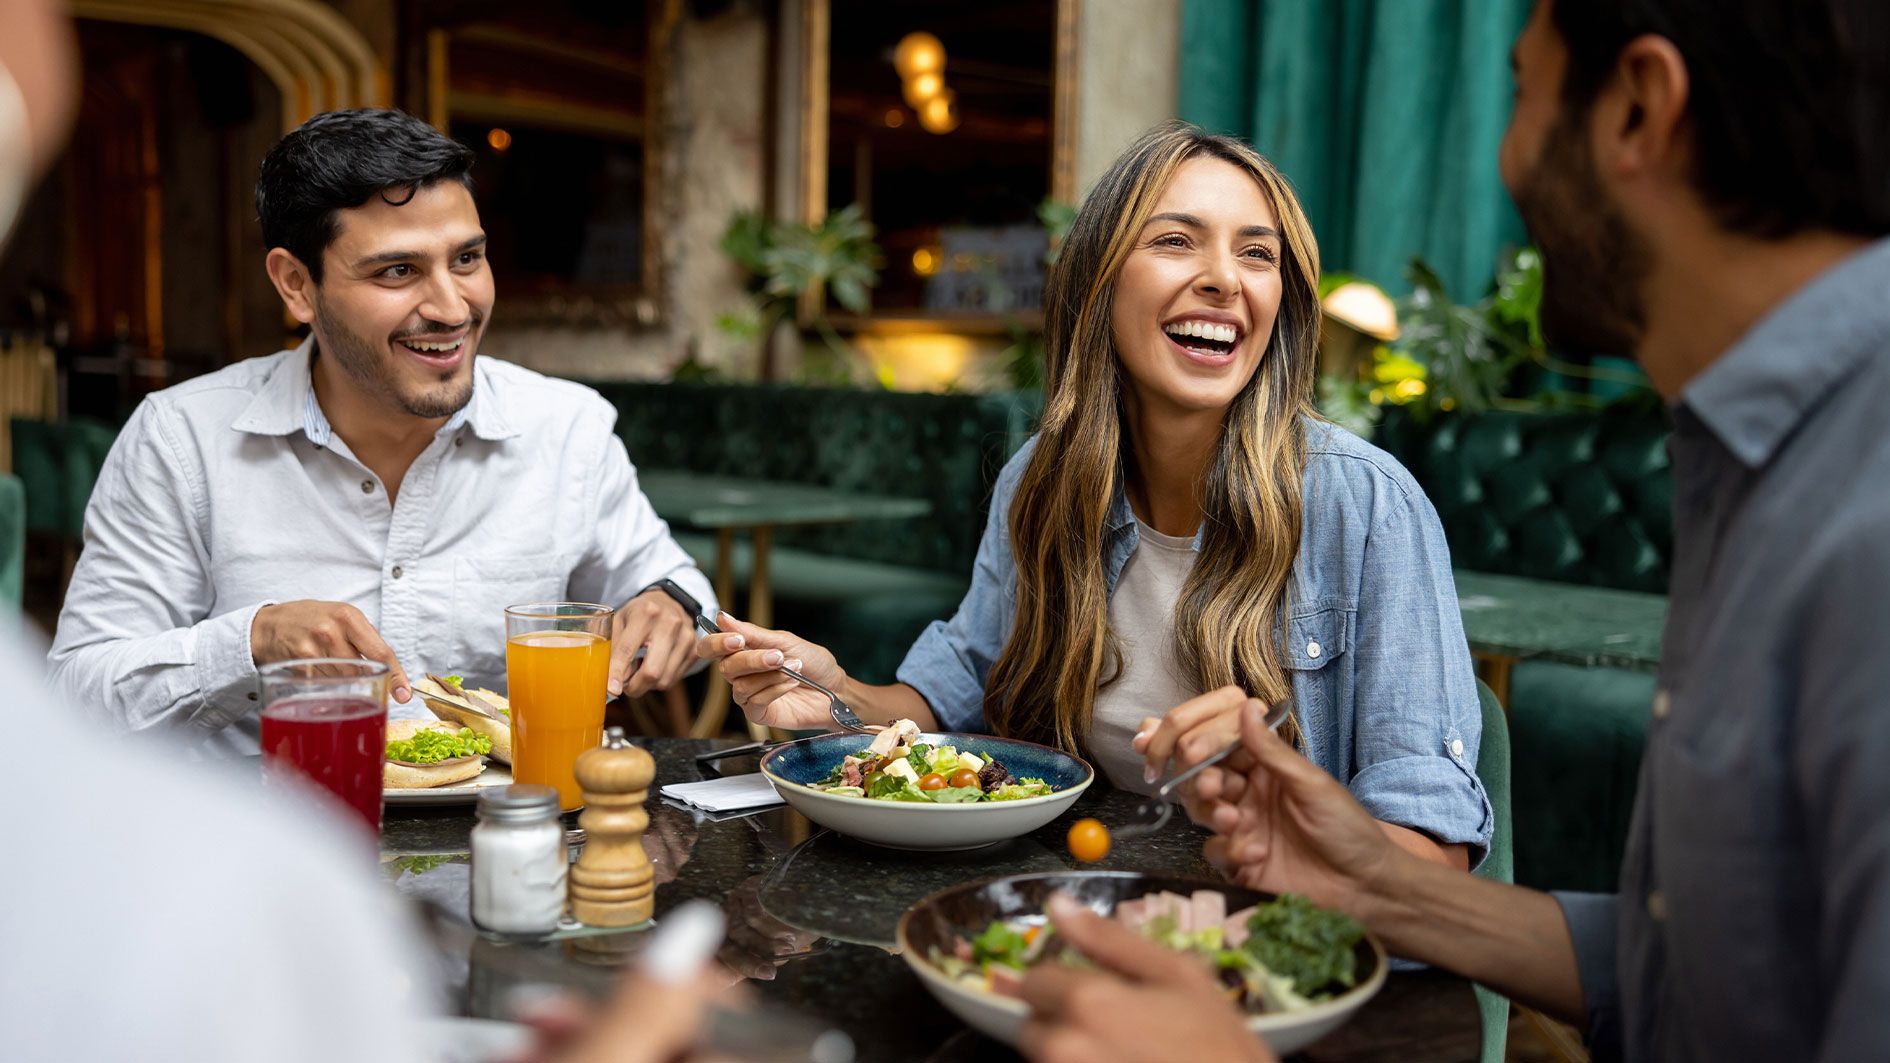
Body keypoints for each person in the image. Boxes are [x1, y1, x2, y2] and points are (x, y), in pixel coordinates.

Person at [1097, 1, 1890, 1061]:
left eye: (1520, 92)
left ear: (1639, 110)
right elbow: (1726, 971)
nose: (1508, 163)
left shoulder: (1861, 514)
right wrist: (1377, 884)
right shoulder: (1751, 457)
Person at [700, 122, 1490, 869]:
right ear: (1100, 283)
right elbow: (948, 698)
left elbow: (1435, 858)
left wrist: (1282, 809)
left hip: (1277, 941)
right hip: (1079, 899)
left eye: (1258, 254)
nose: (1222, 278)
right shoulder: (1041, 482)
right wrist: (836, 694)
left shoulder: (1369, 505)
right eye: (1177, 241)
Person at [46, 109, 714, 756]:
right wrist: (253, 639)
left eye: (467, 259)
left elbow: (678, 591)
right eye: (397, 271)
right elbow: (79, 693)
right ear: (296, 285)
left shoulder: (566, 428)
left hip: (505, 840)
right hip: (260, 840)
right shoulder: (182, 439)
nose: (452, 308)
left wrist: (668, 607)